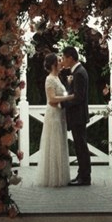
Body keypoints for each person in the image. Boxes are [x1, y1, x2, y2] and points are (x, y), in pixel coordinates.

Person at [37, 53, 73, 187]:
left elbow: (60, 94)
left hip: (60, 114)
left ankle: (60, 175)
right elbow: (52, 99)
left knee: (60, 142)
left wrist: (69, 85)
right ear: (53, 64)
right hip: (54, 114)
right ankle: (53, 177)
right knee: (54, 142)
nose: (61, 62)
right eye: (59, 60)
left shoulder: (57, 78)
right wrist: (69, 97)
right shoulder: (50, 79)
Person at [60, 46, 91, 186]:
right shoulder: (77, 71)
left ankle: (85, 177)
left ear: (71, 58)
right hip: (77, 116)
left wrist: (63, 103)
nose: (63, 60)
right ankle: (81, 174)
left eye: (64, 58)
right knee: (80, 146)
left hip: (78, 116)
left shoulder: (79, 73)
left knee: (81, 147)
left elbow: (78, 97)